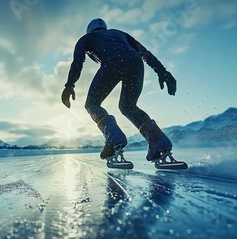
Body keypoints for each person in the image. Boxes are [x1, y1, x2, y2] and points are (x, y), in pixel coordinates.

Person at [61, 18, 177, 162]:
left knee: (92, 104)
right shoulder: (121, 34)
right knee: (128, 106)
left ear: (89, 30)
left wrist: (69, 86)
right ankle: (157, 141)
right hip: (135, 62)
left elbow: (78, 63)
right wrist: (162, 71)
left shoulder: (86, 38)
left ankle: (113, 138)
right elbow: (144, 52)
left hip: (112, 62)